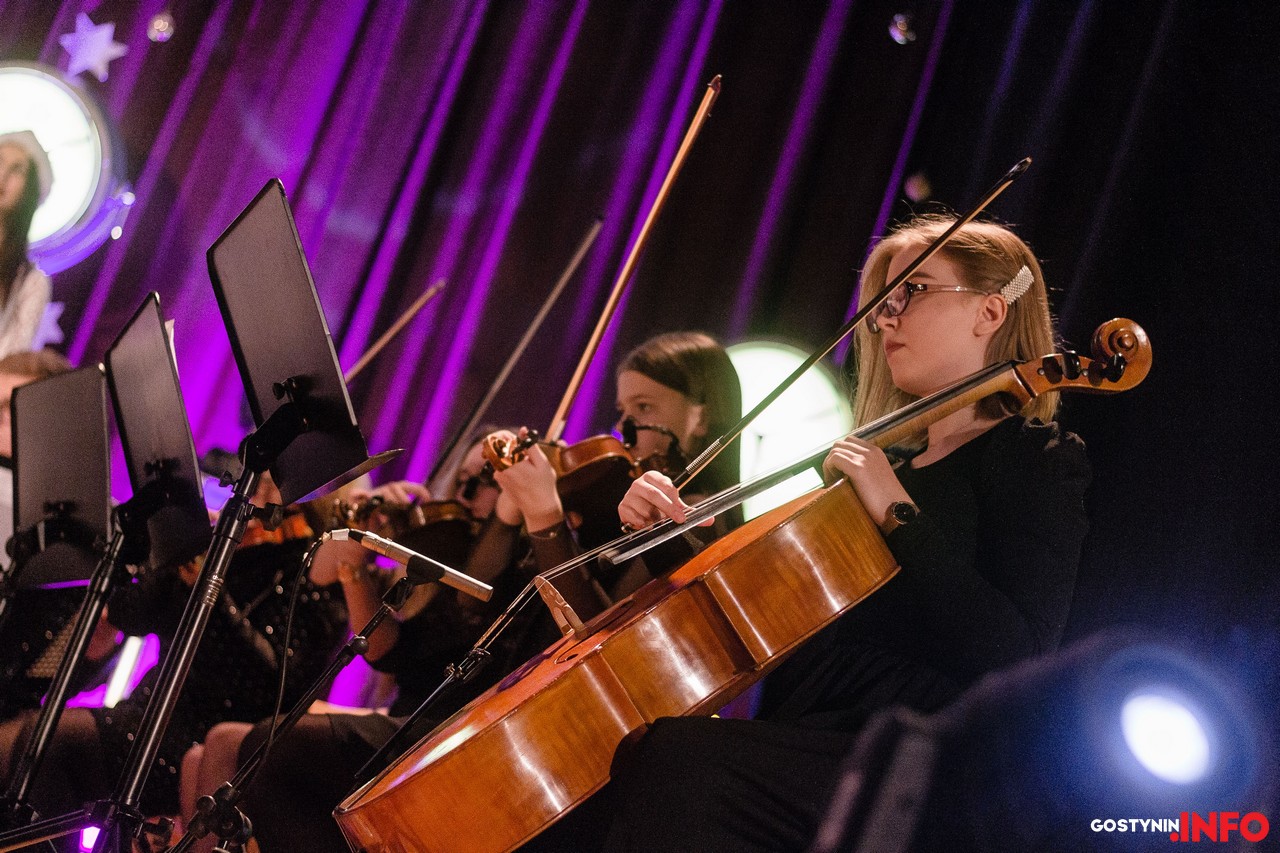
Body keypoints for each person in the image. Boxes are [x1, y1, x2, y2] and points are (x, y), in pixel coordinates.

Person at [573, 214, 1093, 852]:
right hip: (812, 728)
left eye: (912, 291)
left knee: (679, 760)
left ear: (989, 312)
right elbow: (759, 615)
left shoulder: (1034, 458)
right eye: (882, 304)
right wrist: (669, 536)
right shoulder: (884, 463)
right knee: (624, 764)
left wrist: (896, 509)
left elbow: (1016, 650)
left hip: (911, 753)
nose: (885, 320)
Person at [187, 441, 516, 853]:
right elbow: (381, 651)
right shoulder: (442, 554)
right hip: (402, 721)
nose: (465, 493)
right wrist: (357, 547)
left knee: (261, 745)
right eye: (462, 480)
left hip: (447, 732)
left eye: (485, 480)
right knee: (215, 749)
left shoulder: (509, 568)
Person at [489, 330, 743, 610]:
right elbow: (471, 604)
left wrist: (546, 516)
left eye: (643, 406)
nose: (622, 426)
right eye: (622, 410)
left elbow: (609, 625)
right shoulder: (619, 498)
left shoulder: (697, 515)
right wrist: (510, 510)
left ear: (702, 418)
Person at [0, 131, 53, 357]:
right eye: (0, 162)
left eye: (17, 170)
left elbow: (10, 359)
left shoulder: (31, 282)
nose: (2, 176)